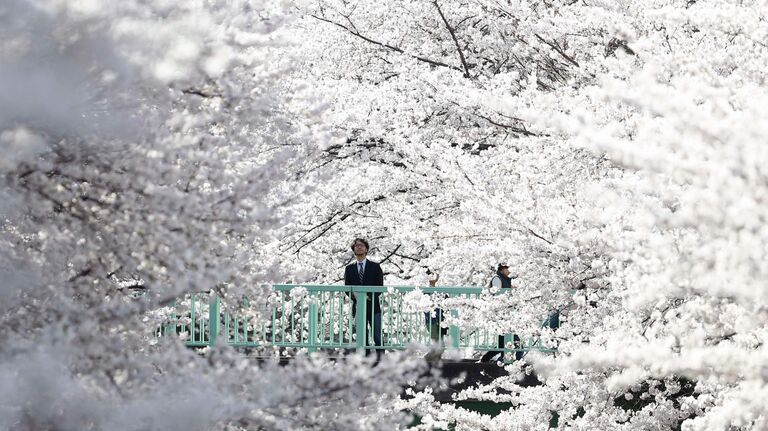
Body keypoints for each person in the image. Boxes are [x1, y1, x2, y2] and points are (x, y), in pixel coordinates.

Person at [344, 238, 384, 360]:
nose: (359, 247)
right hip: (357, 307)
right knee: (362, 335)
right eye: (356, 246)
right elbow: (347, 288)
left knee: (377, 334)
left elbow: (380, 286)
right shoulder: (349, 268)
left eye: (361, 245)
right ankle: (366, 358)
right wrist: (354, 295)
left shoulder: (375, 267)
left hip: (373, 306)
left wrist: (367, 296)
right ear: (354, 250)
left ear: (366, 249)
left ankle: (381, 359)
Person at [480, 264, 522, 363]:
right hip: (501, 315)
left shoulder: (505, 279)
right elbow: (496, 295)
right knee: (514, 341)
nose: (510, 271)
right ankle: (514, 360)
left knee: (502, 343)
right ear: (502, 269)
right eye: (508, 269)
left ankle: (489, 359)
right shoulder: (497, 279)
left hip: (506, 315)